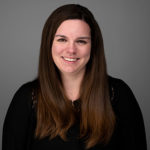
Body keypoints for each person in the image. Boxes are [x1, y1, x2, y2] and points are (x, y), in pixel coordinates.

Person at [2, 4, 147, 150]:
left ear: (93, 46)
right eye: (62, 40)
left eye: (81, 41)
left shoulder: (119, 94)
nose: (71, 50)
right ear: (49, 44)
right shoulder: (27, 98)